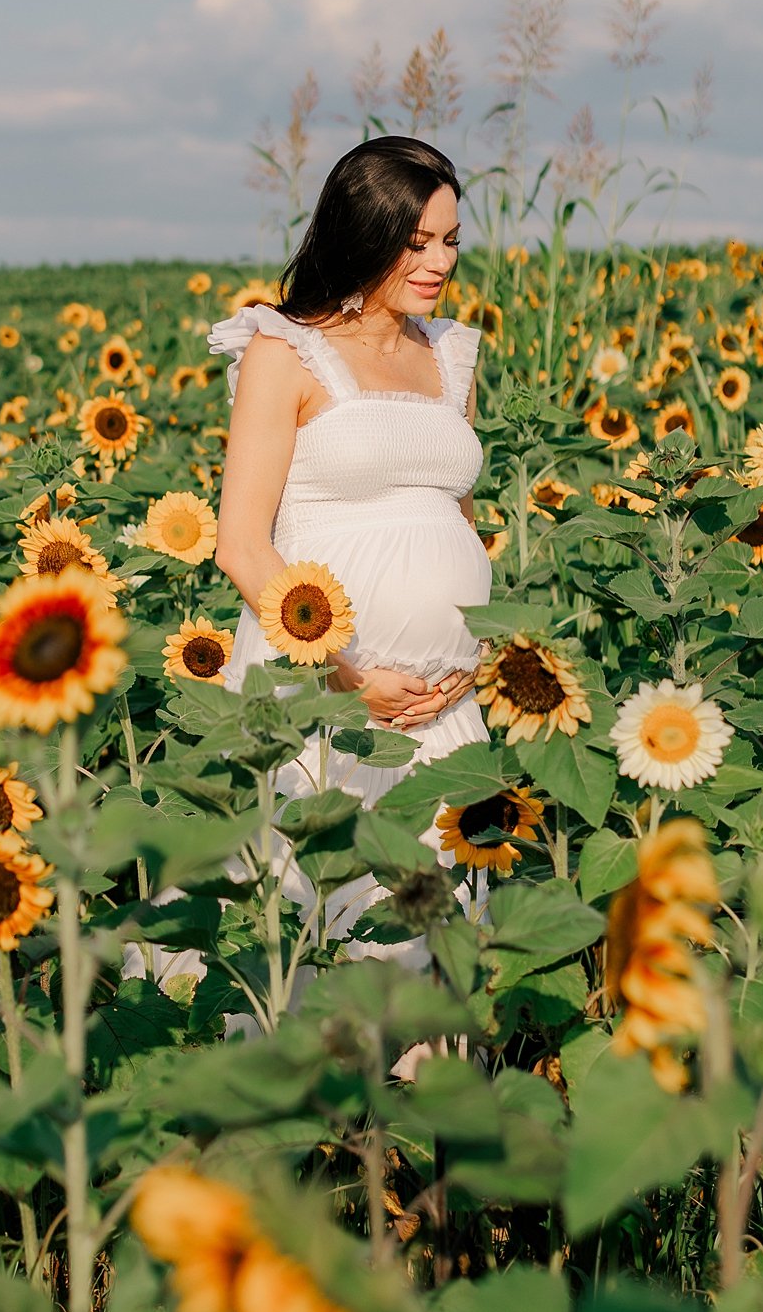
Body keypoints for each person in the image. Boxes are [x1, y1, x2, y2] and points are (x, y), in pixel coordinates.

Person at [134, 136, 496, 1041]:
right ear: (365, 233)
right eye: (416, 243)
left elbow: (448, 518)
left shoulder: (453, 355)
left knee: (430, 947)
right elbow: (242, 547)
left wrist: (476, 648)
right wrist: (349, 672)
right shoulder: (284, 351)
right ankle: (302, 1159)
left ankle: (415, 1167)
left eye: (451, 241)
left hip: (442, 705)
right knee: (308, 924)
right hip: (323, 697)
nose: (440, 263)